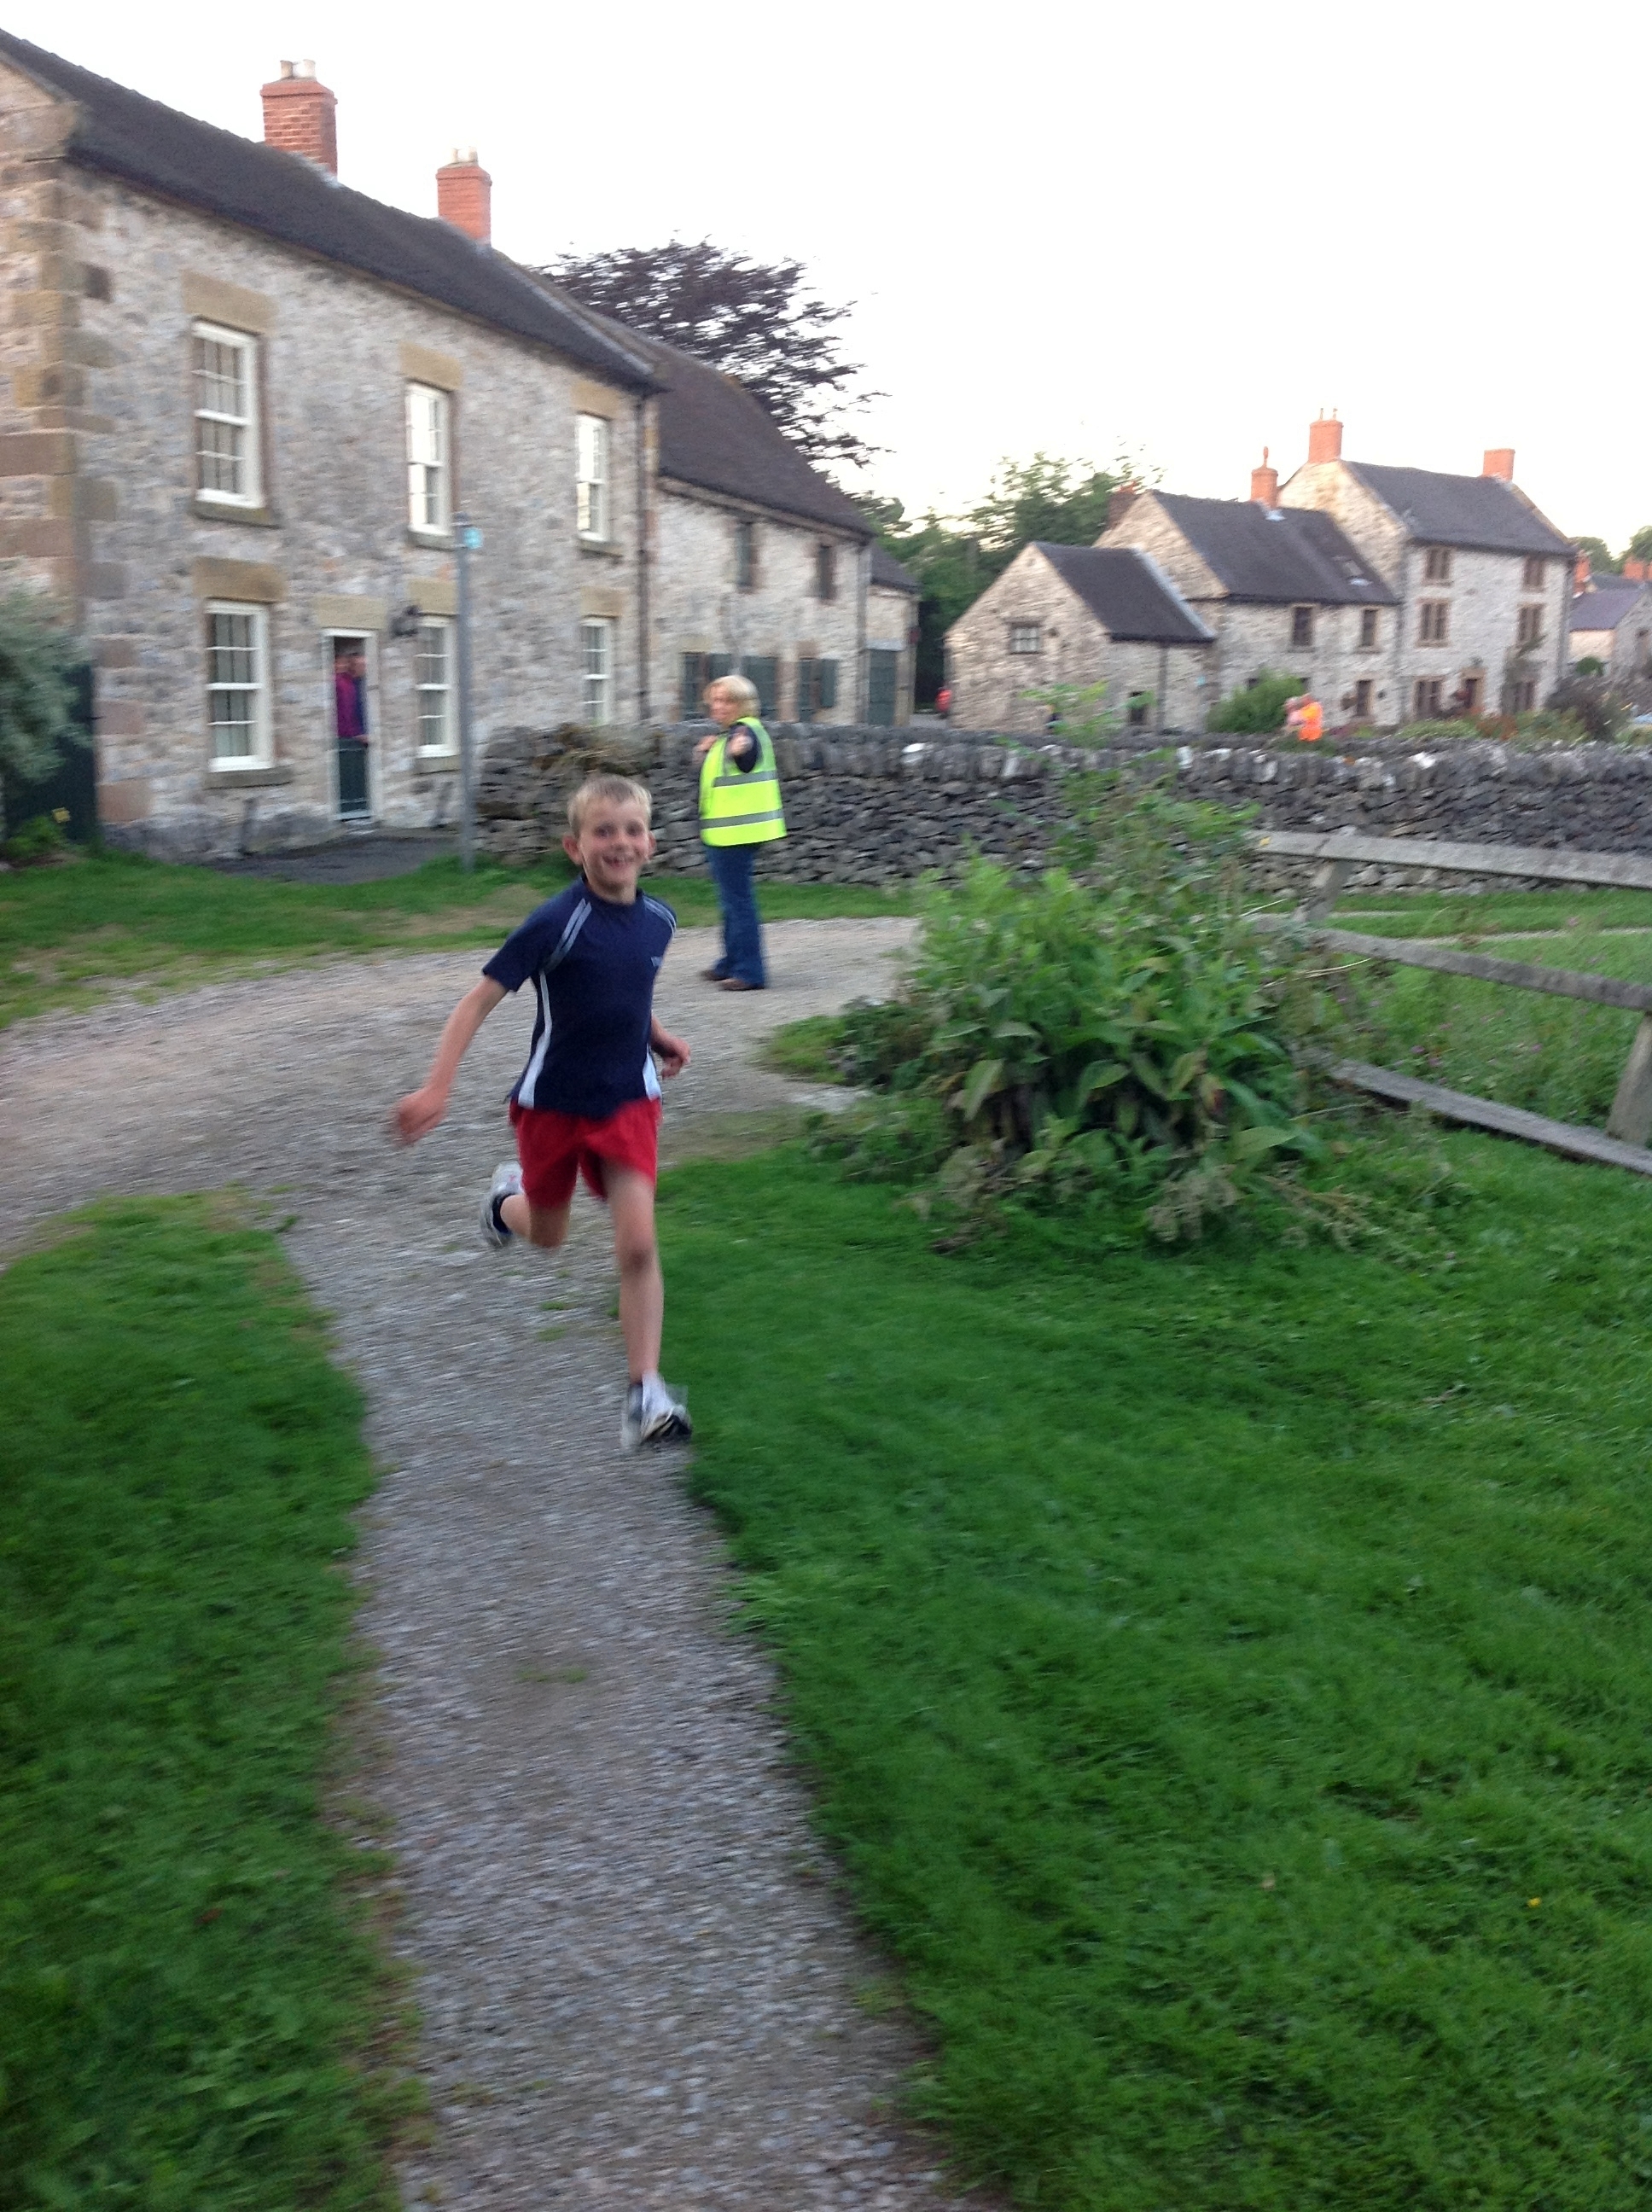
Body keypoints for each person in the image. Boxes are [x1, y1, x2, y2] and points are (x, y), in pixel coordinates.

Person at [393, 773, 695, 1452]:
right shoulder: (555, 922)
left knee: (638, 1243)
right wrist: (436, 1087)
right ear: (574, 846)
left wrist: (656, 1035)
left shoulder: (660, 919)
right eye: (603, 831)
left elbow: (626, 989)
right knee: (549, 1235)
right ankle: (505, 1203)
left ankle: (645, 1394)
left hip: (630, 1100)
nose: (619, 843)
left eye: (632, 830)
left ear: (650, 843)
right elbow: (476, 1002)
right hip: (553, 1105)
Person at [692, 672, 786, 992]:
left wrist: (739, 751)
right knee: (731, 900)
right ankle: (730, 963)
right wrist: (708, 752)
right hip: (728, 832)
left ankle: (749, 971)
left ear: (743, 704)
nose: (718, 706)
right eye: (715, 700)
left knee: (738, 901)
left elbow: (747, 760)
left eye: (726, 701)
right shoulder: (729, 734)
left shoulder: (745, 733)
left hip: (735, 833)